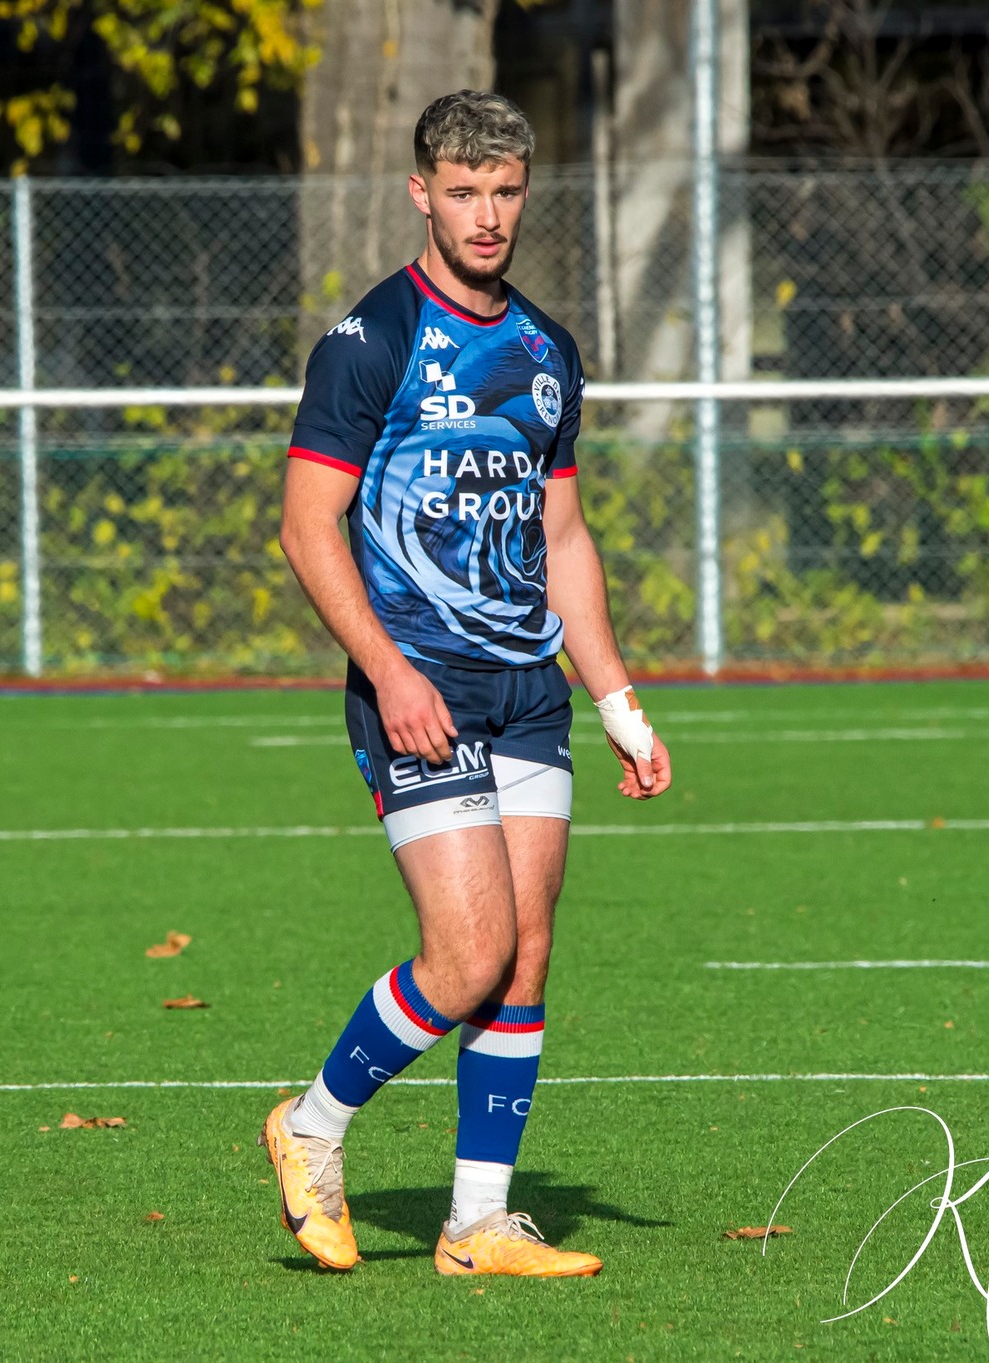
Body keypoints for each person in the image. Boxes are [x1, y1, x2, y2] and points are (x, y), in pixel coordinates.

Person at [262, 89, 673, 1279]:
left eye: (503, 192)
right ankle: (309, 1127)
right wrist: (386, 669)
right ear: (420, 193)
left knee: (528, 952)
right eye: (462, 191)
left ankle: (475, 1223)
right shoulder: (370, 339)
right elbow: (305, 525)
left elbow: (565, 538)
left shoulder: (546, 351)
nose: (485, 215)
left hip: (526, 691)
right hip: (417, 684)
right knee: (466, 953)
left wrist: (616, 702)